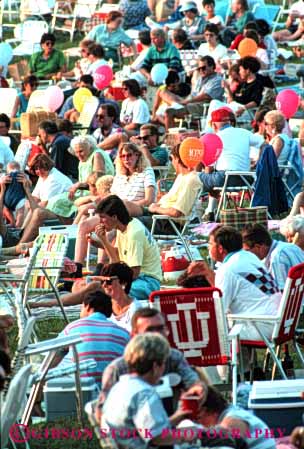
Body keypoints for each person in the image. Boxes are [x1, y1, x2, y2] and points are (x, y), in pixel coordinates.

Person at [97, 308, 207, 416]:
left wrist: (197, 389)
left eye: (160, 329)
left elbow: (192, 382)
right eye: (150, 330)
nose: (157, 335)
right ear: (134, 335)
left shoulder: (174, 357)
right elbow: (102, 409)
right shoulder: (118, 369)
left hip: (173, 424)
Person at [101, 333, 197, 448]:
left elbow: (145, 428)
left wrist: (178, 417)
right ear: (156, 366)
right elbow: (157, 438)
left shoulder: (120, 386)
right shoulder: (145, 394)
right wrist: (187, 434)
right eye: (163, 364)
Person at [187, 226, 281, 340]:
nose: (208, 247)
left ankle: (233, 358)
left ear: (220, 248)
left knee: (205, 331)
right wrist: (208, 273)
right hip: (277, 322)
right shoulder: (248, 257)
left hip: (261, 327)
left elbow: (219, 310)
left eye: (210, 244)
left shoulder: (227, 270)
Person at [199, 107, 264, 221]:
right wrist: (259, 160)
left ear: (213, 125)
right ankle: (209, 211)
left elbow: (209, 168)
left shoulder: (216, 138)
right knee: (212, 177)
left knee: (195, 178)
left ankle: (201, 212)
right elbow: (264, 145)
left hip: (225, 179)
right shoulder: (244, 132)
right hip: (246, 179)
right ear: (229, 122)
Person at [94, 195, 162, 300]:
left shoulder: (134, 233)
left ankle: (61, 303)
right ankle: (60, 302)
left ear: (115, 217)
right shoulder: (123, 227)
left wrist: (111, 282)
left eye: (103, 217)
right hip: (135, 279)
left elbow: (134, 273)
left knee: (105, 291)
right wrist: (104, 240)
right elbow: (116, 258)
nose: (101, 222)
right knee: (89, 287)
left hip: (147, 281)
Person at [54, 290, 130, 382]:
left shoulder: (73, 327)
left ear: (88, 307)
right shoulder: (123, 334)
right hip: (111, 388)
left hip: (79, 387)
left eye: (82, 307)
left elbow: (54, 355)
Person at [142, 143, 202, 231]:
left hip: (169, 224)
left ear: (177, 159)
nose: (171, 162)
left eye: (171, 158)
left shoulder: (190, 180)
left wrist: (156, 209)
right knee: (126, 212)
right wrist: (161, 199)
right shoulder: (182, 176)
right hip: (160, 218)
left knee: (129, 222)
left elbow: (176, 212)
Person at [196, 386, 276, 449]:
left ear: (206, 411)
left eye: (198, 418)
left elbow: (227, 444)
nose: (198, 423)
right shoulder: (234, 413)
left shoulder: (232, 421)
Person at [164, 55, 224, 130]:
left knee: (169, 112)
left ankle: (170, 138)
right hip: (194, 105)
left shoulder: (217, 80)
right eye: (199, 69)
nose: (201, 71)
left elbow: (206, 96)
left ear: (212, 66)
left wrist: (186, 101)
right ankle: (172, 136)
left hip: (205, 107)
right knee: (166, 101)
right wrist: (182, 101)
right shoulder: (200, 79)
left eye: (203, 68)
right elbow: (193, 94)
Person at [242, 223, 304, 291]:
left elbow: (281, 293)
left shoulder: (276, 258)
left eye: (247, 250)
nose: (246, 254)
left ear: (258, 247)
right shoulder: (291, 246)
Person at [98, 262, 143, 331]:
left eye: (108, 281)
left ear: (123, 282)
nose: (104, 285)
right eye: (102, 281)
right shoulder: (101, 307)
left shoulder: (137, 310)